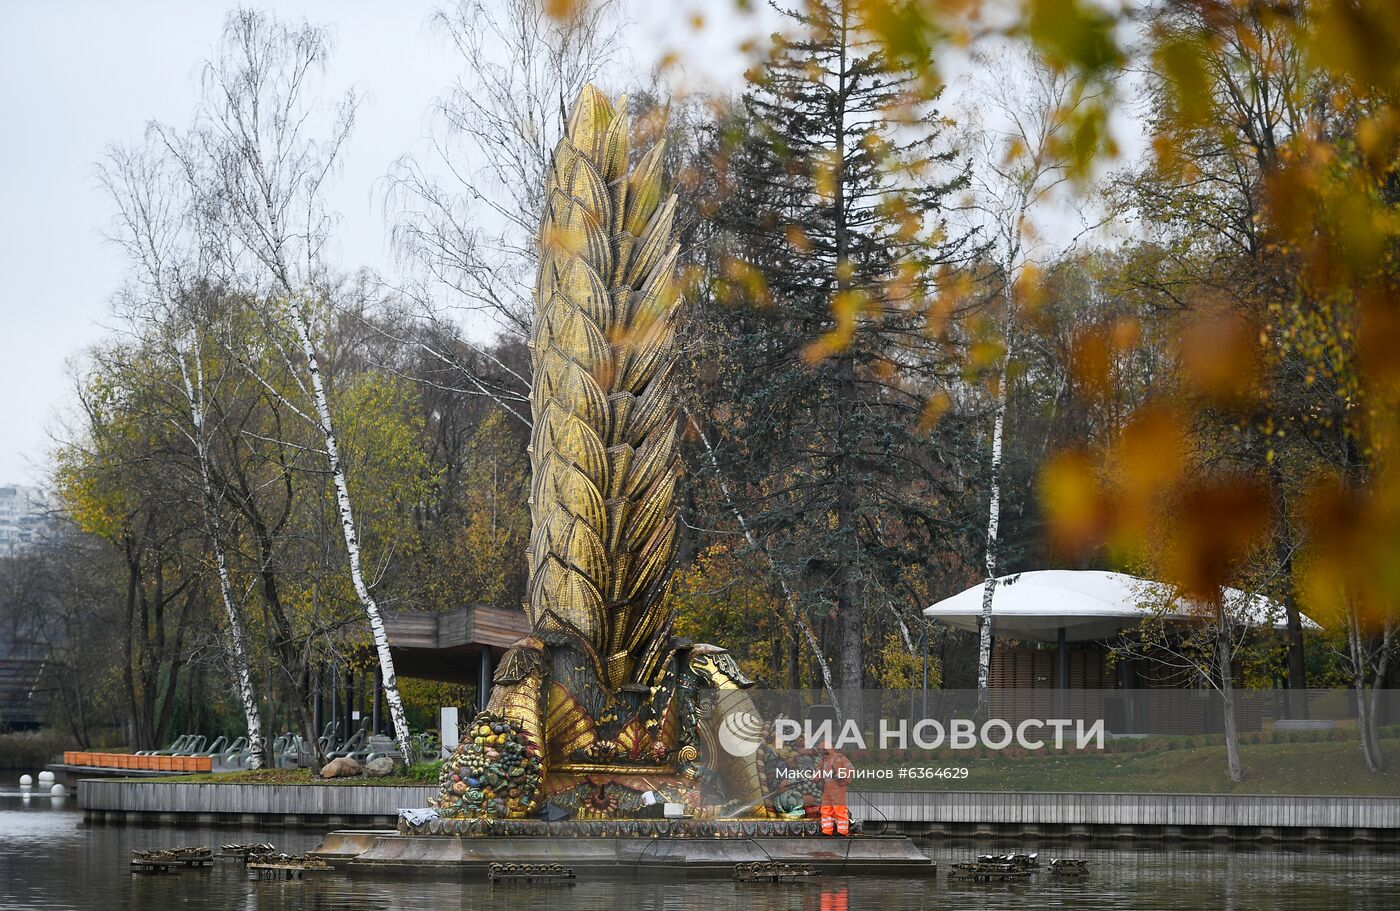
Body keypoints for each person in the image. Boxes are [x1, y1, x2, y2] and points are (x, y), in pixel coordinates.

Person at [817, 746, 853, 835]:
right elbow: (818, 772)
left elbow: (851, 769)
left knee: (839, 809)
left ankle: (842, 832)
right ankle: (826, 831)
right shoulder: (823, 761)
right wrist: (815, 777)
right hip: (826, 788)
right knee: (825, 809)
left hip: (837, 787)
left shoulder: (840, 758)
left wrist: (840, 774)